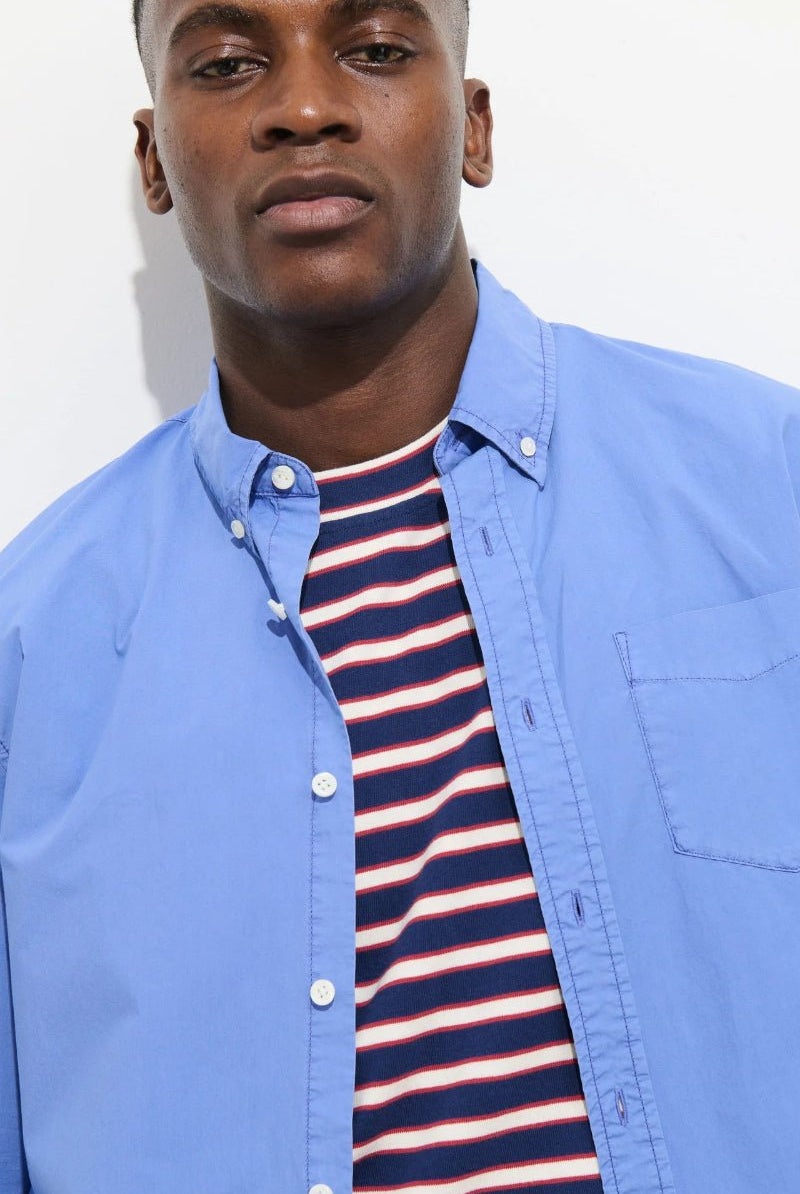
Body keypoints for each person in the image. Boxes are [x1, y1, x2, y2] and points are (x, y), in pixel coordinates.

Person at [1, 0, 798, 1190]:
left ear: (472, 128)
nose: (306, 107)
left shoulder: (766, 488)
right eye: (226, 64)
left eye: (374, 50)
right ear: (153, 159)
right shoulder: (31, 651)